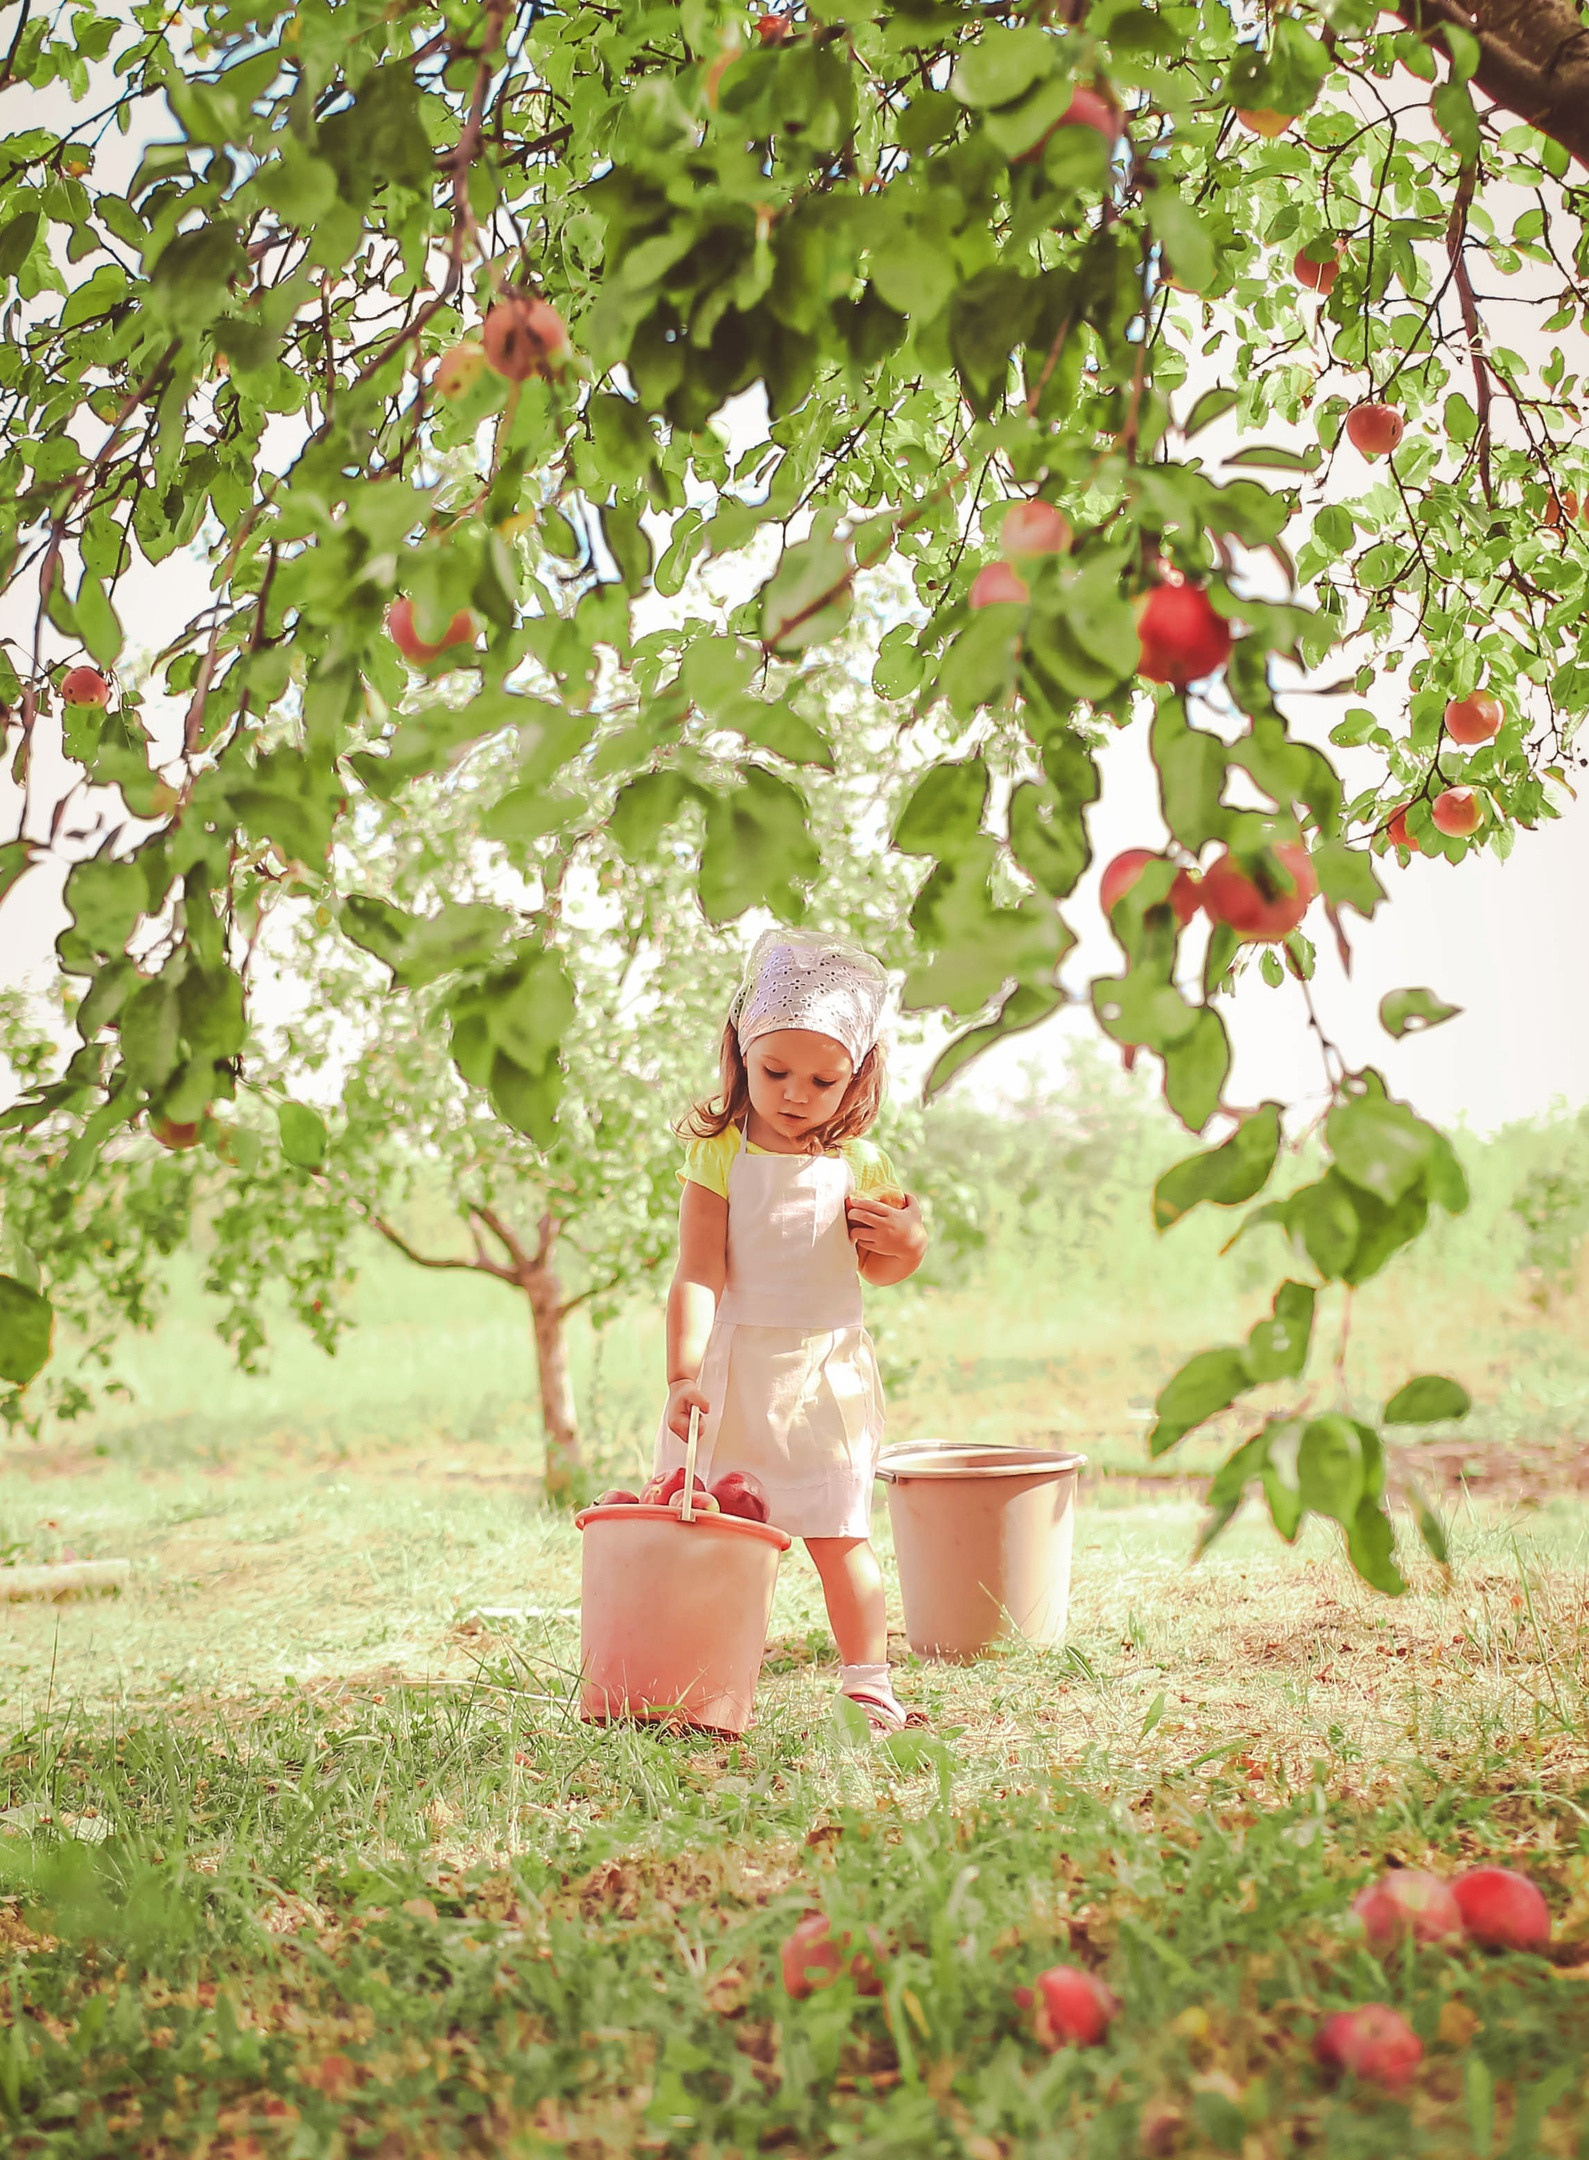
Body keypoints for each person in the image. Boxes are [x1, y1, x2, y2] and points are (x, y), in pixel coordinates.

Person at [657, 930, 929, 1733]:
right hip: (733, 1373)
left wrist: (909, 1244)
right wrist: (682, 1375)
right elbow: (697, 1271)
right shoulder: (718, 1155)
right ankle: (696, 1682)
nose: (796, 1094)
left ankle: (868, 1683)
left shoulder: (860, 1165)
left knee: (839, 1530)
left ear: (857, 1077)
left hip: (823, 1375)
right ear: (741, 1054)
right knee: (712, 1532)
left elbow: (877, 1269)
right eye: (775, 1072)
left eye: (822, 1080)